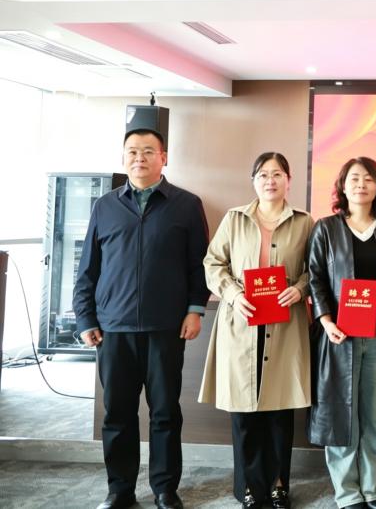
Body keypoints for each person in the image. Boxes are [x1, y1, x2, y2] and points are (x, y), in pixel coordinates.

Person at [73, 128, 209, 509]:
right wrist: (85, 319)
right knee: (118, 413)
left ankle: (165, 488)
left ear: (164, 157)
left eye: (149, 151)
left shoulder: (186, 204)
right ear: (123, 158)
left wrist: (195, 309)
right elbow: (88, 269)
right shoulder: (105, 206)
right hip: (113, 328)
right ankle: (120, 489)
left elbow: (199, 265)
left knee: (165, 412)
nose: (140, 158)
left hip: (166, 327)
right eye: (132, 151)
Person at [199, 152, 313, 508]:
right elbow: (213, 263)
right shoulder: (234, 219)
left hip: (285, 325)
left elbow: (317, 268)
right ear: (253, 180)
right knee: (243, 412)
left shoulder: (305, 222)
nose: (270, 180)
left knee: (280, 410)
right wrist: (233, 294)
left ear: (288, 180)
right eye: (263, 174)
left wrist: (301, 289)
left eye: (277, 174)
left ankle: (279, 484)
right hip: (241, 323)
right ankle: (249, 486)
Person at [306, 157, 376, 509]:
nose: (361, 185)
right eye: (354, 178)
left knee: (375, 412)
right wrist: (326, 321)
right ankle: (347, 492)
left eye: (368, 179)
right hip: (339, 333)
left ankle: (372, 487)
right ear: (342, 185)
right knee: (342, 411)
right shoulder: (326, 228)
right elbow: (315, 279)